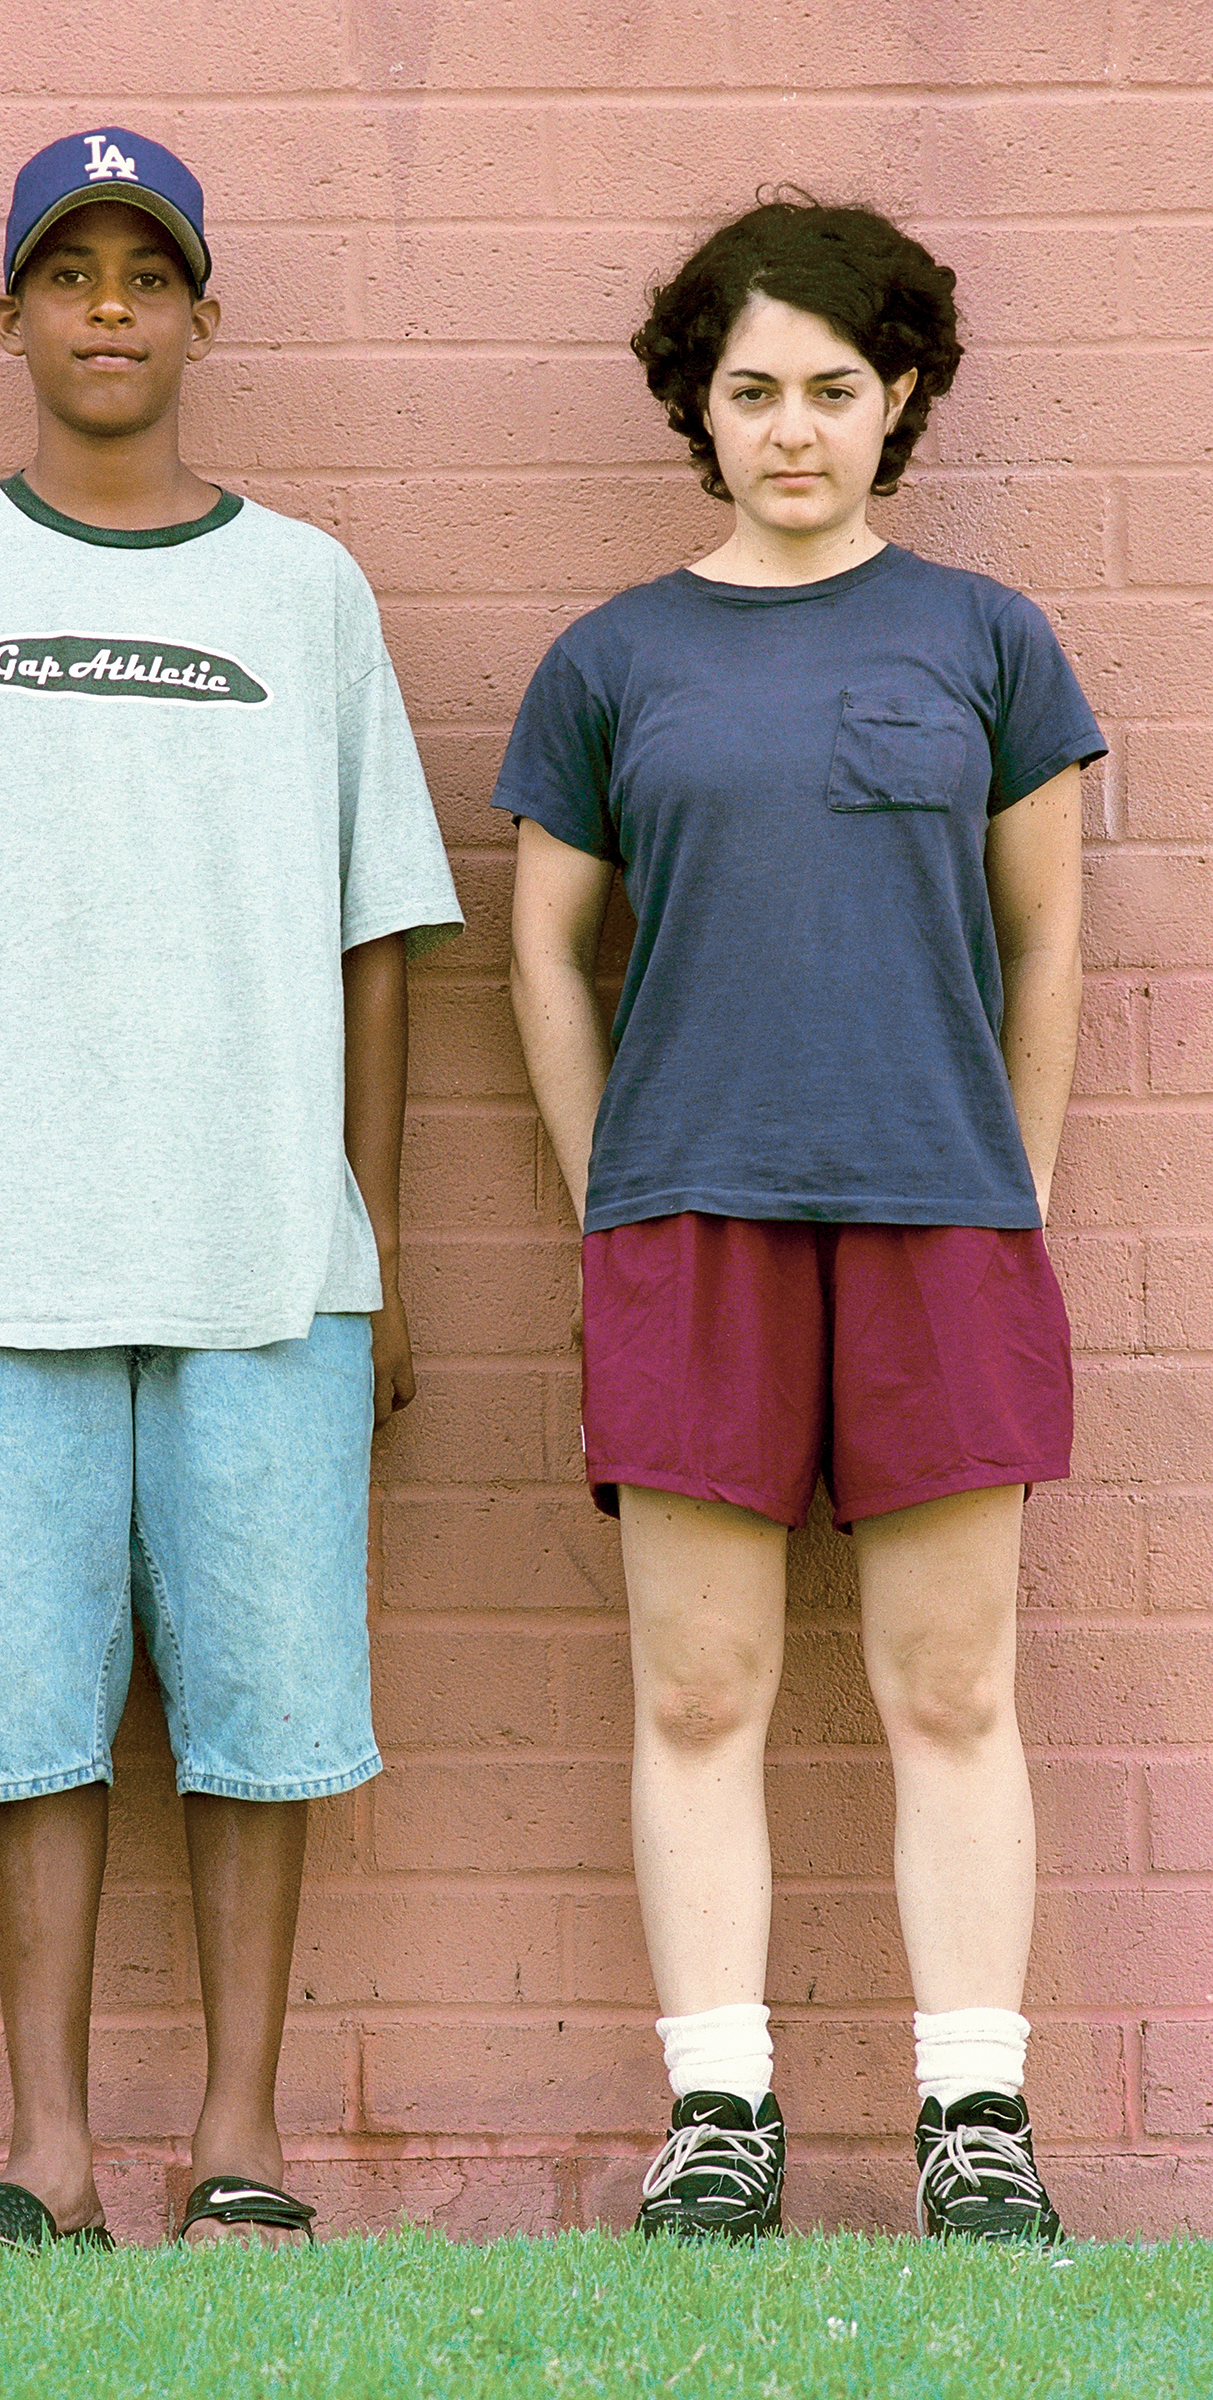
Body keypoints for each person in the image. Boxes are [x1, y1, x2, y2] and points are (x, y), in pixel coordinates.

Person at [0, 128, 461, 2251]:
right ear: (7, 314)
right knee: (21, 1713)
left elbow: (377, 939)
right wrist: (23, 1064)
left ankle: (238, 2139)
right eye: (67, 272)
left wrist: (366, 1239)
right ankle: (50, 2152)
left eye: (145, 274)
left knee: (263, 1711)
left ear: (201, 316)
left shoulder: (305, 591)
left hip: (267, 1253)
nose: (107, 307)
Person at [498, 195, 1103, 2243]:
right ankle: (721, 2114)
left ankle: (973, 2120)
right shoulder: (613, 659)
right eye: (751, 390)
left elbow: (1046, 942)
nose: (790, 429)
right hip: (690, 1221)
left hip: (938, 1216)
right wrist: (609, 1189)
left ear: (899, 395)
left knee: (950, 1688)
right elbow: (542, 951)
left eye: (833, 389)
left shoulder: (988, 639)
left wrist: (1014, 1182)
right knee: (696, 1690)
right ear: (697, 404)